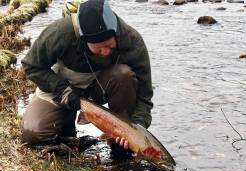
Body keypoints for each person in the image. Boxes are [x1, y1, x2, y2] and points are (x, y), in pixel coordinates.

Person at [21, 0, 153, 152]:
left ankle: (119, 145)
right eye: (99, 48)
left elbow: (144, 97)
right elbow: (31, 66)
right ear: (84, 40)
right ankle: (67, 133)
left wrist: (136, 131)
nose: (105, 52)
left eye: (110, 46)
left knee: (123, 75)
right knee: (32, 134)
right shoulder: (59, 32)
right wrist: (61, 88)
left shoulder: (132, 41)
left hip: (98, 88)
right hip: (60, 89)